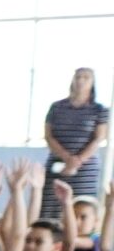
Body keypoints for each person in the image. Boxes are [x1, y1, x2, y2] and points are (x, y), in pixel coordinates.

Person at [42, 67, 108, 226]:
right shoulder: (56, 107)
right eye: (78, 77)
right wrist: (66, 158)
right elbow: (49, 135)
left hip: (85, 168)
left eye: (86, 77)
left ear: (92, 83)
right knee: (52, 205)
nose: (80, 81)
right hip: (58, 165)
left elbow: (99, 137)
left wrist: (77, 160)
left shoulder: (99, 110)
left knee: (81, 206)